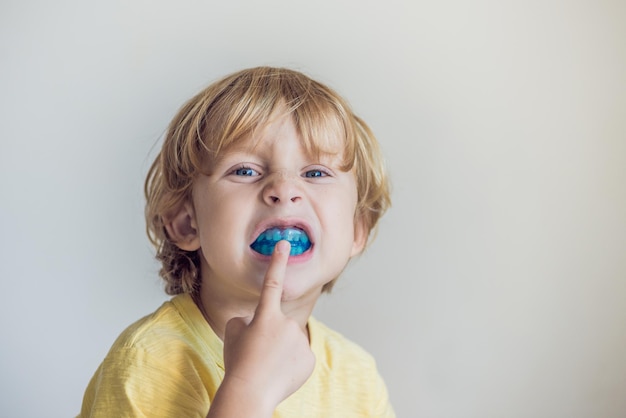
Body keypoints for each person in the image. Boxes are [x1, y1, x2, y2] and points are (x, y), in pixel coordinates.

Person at [78, 66, 394, 417]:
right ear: (186, 224)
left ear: (357, 229)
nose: (284, 189)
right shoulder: (148, 361)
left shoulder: (358, 377)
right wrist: (247, 391)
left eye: (316, 173)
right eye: (245, 171)